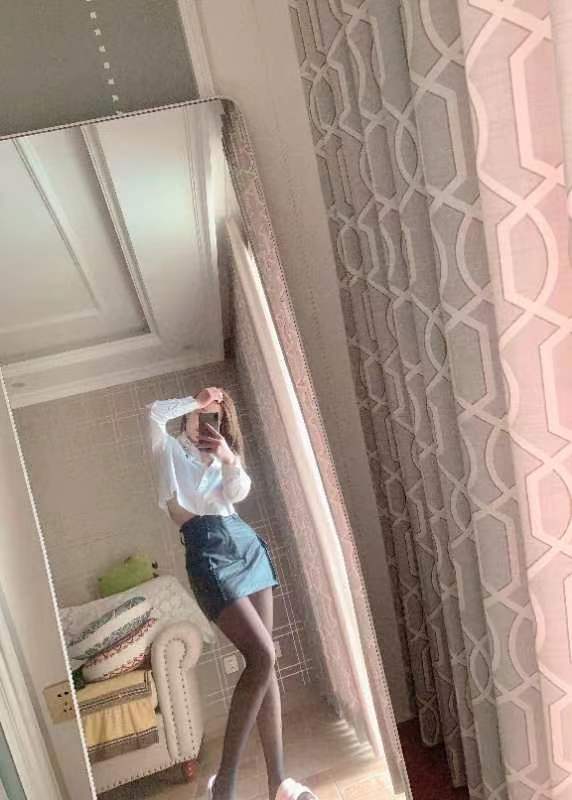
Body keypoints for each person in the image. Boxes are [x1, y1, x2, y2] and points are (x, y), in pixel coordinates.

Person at [147, 386, 317, 800]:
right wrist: (197, 400)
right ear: (189, 413)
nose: (207, 418)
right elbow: (153, 412)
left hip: (245, 544)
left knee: (265, 662)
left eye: (216, 415)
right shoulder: (167, 450)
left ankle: (280, 784)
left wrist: (227, 458)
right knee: (263, 656)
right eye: (202, 412)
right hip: (207, 549)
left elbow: (239, 493)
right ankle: (222, 786)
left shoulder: (223, 458)